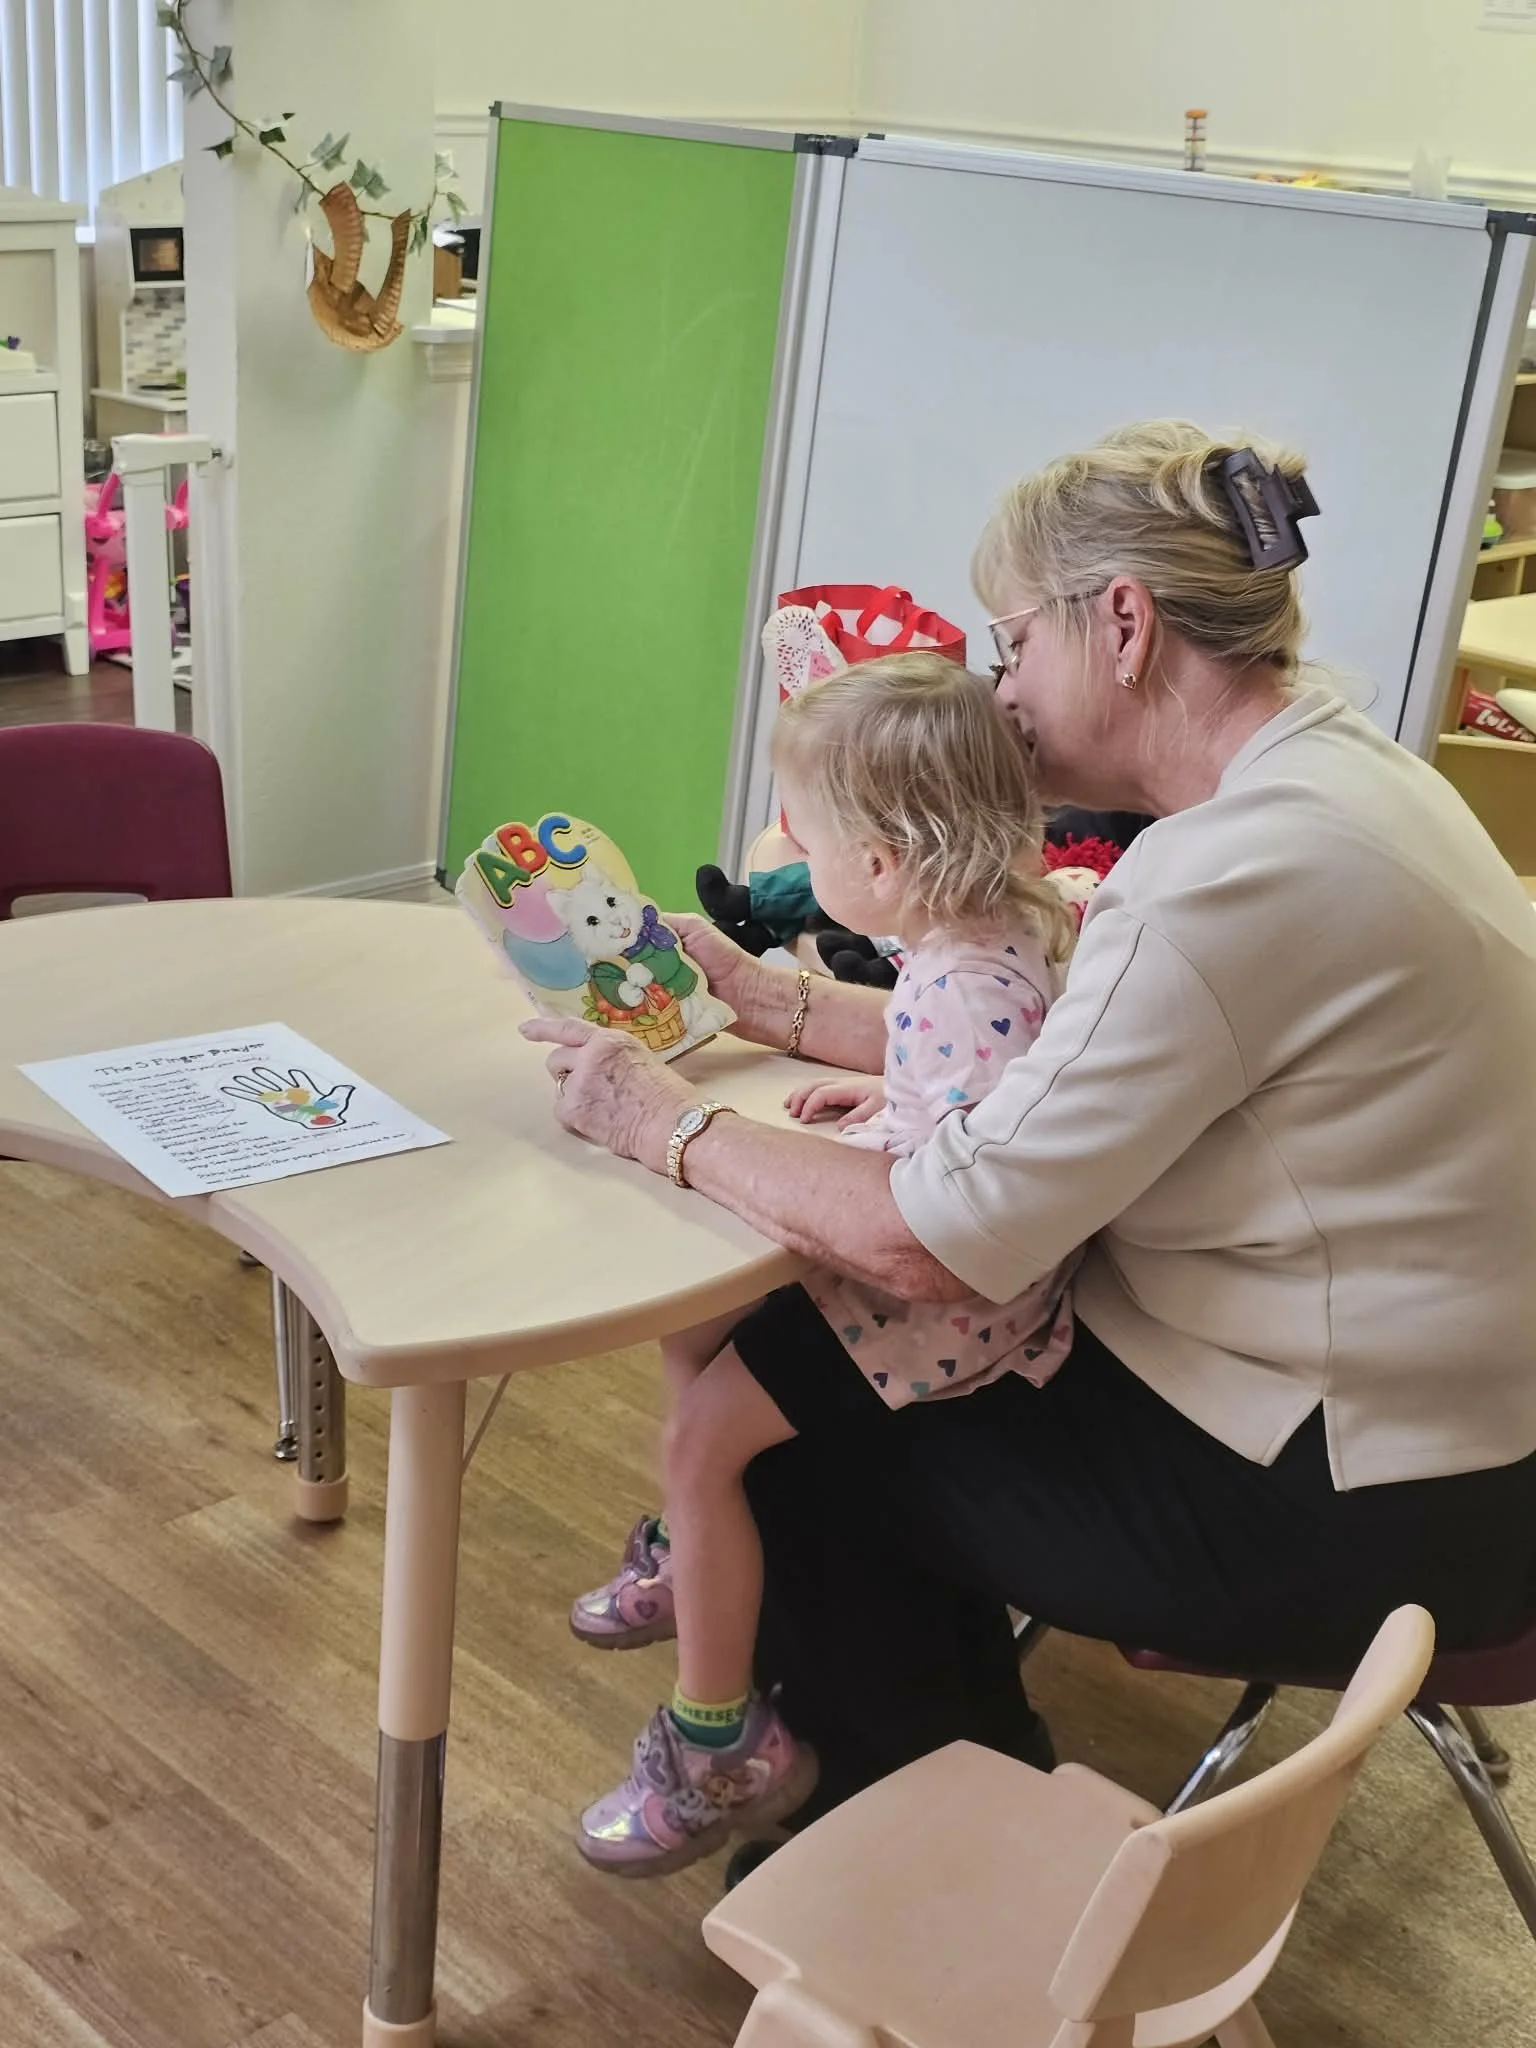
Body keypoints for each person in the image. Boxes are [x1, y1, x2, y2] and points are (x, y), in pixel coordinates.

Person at [524, 418, 1536, 1864]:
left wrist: (659, 1121)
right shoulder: (1343, 785)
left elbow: (934, 1241)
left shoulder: (1233, 876)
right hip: (1451, 1437)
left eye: (1013, 644)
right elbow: (1066, 1054)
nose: (1001, 694)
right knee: (828, 1370)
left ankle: (932, 1864)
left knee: (798, 1431)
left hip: (1357, 1505)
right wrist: (788, 1005)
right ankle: (887, 1808)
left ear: (1121, 625)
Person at [569, 654, 1080, 1874]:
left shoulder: (958, 984)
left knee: (703, 1433)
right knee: (695, 1330)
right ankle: (690, 1547)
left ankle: (717, 1740)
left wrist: (898, 1116)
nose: (794, 847)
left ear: (885, 864)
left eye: (814, 832)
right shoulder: (1001, 931)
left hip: (934, 1324)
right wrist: (893, 1097)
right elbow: (987, 1104)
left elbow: (945, 1209)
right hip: (977, 1302)